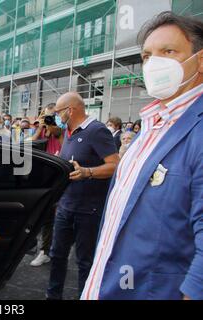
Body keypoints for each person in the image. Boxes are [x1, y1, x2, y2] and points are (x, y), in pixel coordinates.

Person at [82, 12, 203, 301]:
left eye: (168, 52)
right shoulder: (152, 124)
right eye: (147, 55)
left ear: (200, 61)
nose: (153, 63)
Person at [46, 92, 119, 300]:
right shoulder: (68, 132)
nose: (56, 116)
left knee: (85, 262)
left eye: (58, 112)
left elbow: (115, 165)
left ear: (70, 110)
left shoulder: (97, 131)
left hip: (88, 209)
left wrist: (88, 172)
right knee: (57, 256)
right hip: (66, 205)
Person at [30, 103, 64, 267]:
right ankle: (44, 250)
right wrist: (40, 126)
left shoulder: (61, 127)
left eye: (53, 115)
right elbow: (32, 143)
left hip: (58, 171)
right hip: (42, 172)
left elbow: (57, 133)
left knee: (54, 214)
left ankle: (47, 249)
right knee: (45, 214)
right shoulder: (41, 128)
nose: (50, 118)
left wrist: (51, 123)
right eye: (47, 115)